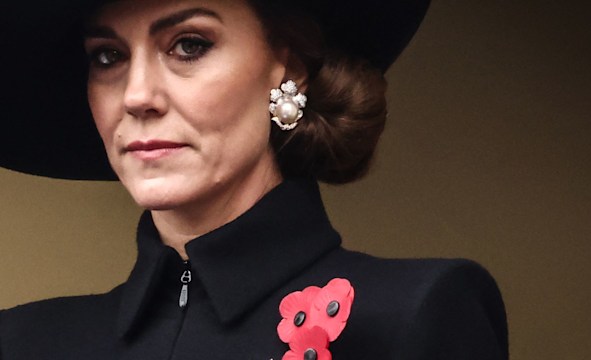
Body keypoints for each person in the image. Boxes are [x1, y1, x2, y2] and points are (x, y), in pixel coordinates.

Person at [0, 0, 508, 359]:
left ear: (289, 67)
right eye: (108, 56)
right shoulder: (24, 341)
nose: (136, 96)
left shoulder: (416, 314)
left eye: (189, 45)